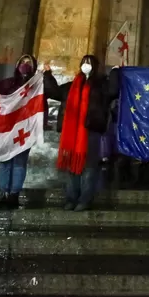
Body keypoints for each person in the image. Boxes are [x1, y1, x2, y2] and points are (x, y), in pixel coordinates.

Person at [44, 54, 119, 211]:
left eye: (90, 62)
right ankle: (71, 199)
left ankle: (84, 200)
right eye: (84, 62)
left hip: (91, 130)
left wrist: (115, 73)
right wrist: (47, 75)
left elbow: (113, 91)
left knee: (89, 168)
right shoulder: (71, 86)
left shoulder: (101, 85)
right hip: (72, 133)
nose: (86, 65)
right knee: (72, 166)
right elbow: (54, 92)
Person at [0, 54, 39, 210]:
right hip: (7, 128)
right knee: (5, 161)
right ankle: (4, 193)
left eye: (29, 63)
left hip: (25, 129)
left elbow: (51, 91)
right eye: (23, 62)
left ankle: (14, 195)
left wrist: (48, 76)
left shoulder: (37, 84)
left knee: (19, 163)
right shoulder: (9, 83)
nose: (25, 65)